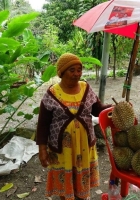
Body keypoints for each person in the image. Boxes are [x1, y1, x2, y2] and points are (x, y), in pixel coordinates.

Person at [36, 53, 112, 200]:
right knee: (65, 183)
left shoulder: (85, 88)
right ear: (62, 72)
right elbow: (43, 125)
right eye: (72, 70)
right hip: (62, 150)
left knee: (81, 180)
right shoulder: (52, 94)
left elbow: (98, 109)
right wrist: (42, 150)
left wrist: (115, 108)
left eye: (79, 70)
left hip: (84, 146)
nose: (76, 74)